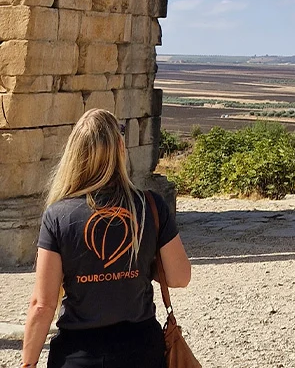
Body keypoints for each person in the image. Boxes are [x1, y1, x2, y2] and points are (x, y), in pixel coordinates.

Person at [20, 109, 192, 368]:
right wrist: (142, 265)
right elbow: (180, 277)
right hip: (141, 350)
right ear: (121, 149)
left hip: (78, 354)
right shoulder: (150, 206)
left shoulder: (58, 216)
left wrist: (28, 363)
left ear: (75, 154)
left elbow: (42, 305)